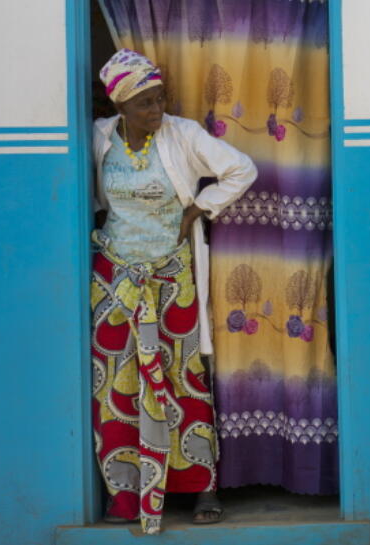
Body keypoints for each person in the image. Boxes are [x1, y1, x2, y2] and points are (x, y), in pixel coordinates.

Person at [91, 49, 257, 533]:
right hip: (115, 278)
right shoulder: (98, 138)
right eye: (144, 103)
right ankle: (127, 493)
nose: (156, 111)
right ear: (120, 105)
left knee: (182, 376)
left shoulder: (183, 134)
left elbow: (241, 169)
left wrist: (198, 210)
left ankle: (202, 484)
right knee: (117, 384)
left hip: (172, 276)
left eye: (159, 99)